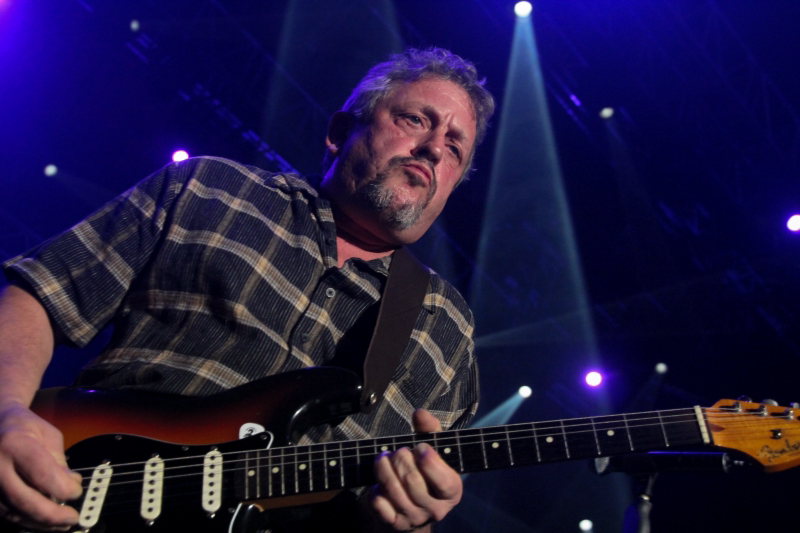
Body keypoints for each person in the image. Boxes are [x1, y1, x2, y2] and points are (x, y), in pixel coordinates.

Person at [0, 47, 495, 532]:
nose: (435, 148)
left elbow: (408, 503)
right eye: (415, 120)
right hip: (76, 494)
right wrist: (7, 412)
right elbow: (43, 294)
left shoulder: (447, 330)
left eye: (455, 148)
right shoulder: (209, 188)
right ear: (341, 132)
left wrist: (405, 519)